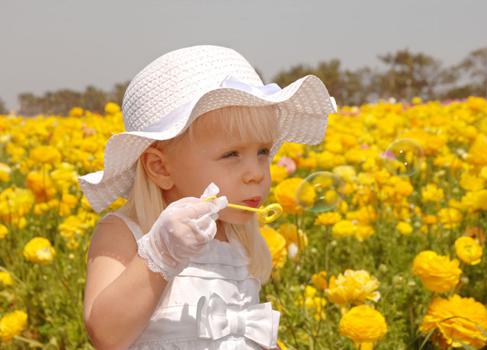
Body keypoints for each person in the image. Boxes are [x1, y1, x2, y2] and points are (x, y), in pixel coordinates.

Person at [78, 44, 337, 349]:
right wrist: (161, 253)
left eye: (263, 151)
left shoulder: (235, 235)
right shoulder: (126, 232)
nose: (255, 172)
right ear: (161, 167)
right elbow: (106, 335)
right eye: (231, 154)